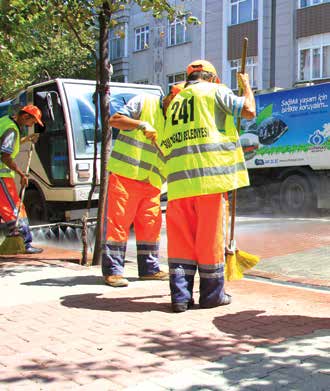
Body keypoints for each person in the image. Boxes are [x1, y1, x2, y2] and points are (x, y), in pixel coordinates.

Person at [160, 60, 256, 312]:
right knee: (209, 239)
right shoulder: (216, 91)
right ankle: (212, 295)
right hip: (209, 180)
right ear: (212, 78)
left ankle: (180, 297)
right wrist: (246, 86)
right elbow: (248, 110)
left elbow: (165, 142)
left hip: (179, 184)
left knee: (181, 242)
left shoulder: (175, 101)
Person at [102, 84, 184, 287]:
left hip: (152, 182)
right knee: (118, 225)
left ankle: (149, 269)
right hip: (126, 176)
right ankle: (113, 272)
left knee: (150, 226)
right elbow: (115, 120)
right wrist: (140, 124)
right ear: (170, 96)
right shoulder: (144, 102)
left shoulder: (177, 121)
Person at [0, 105, 44, 254]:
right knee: (15, 209)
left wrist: (27, 139)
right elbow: (5, 156)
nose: (33, 124)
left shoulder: (5, 122)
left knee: (8, 210)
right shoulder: (12, 129)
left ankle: (15, 239)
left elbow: (7, 144)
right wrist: (21, 174)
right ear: (25, 117)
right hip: (2, 176)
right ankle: (24, 243)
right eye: (33, 121)